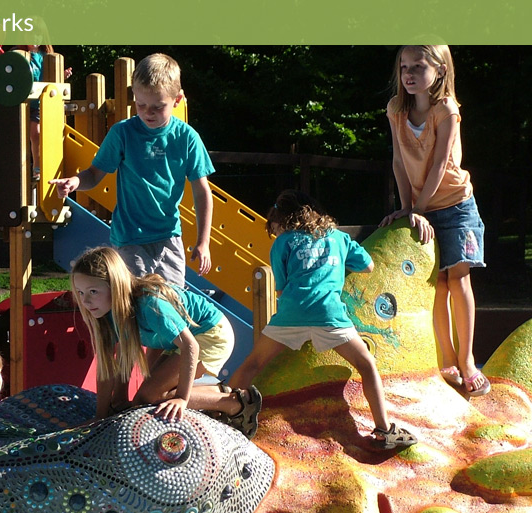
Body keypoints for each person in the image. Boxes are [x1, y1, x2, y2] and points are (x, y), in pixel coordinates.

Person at [228, 190, 418, 448]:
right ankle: (384, 429)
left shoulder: (282, 243)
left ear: (283, 221)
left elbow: (282, 289)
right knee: (366, 364)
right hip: (329, 314)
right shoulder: (339, 238)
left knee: (253, 364)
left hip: (291, 314)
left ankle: (223, 414)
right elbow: (368, 266)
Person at [378, 45, 489, 397]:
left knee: (458, 279)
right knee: (436, 284)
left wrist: (418, 210)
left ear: (439, 70)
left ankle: (468, 361)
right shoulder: (396, 109)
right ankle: (447, 361)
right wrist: (407, 207)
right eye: (404, 67)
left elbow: (440, 165)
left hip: (455, 206)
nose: (409, 73)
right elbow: (399, 161)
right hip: (421, 206)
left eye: (418, 66)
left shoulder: (446, 110)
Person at [50, 53, 214, 286]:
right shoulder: (123, 133)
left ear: (177, 100)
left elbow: (201, 192)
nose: (148, 112)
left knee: (172, 302)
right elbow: (94, 174)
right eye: (141, 105)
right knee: (136, 305)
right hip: (130, 238)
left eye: (158, 107)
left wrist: (203, 241)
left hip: (169, 236)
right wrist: (76, 182)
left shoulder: (187, 138)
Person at [70, 247, 260, 438]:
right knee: (142, 401)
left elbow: (190, 346)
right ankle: (213, 392)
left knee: (149, 396)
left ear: (116, 286)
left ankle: (234, 404)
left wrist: (182, 399)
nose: (85, 300)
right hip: (172, 342)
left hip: (209, 333)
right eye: (80, 292)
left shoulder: (149, 304)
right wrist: (101, 416)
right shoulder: (104, 313)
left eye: (93, 291)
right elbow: (109, 366)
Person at [13, 45, 72, 182]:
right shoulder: (19, 53)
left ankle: (38, 168)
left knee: (36, 133)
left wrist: (61, 76)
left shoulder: (46, 57)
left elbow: (50, 77)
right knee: (20, 135)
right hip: (22, 102)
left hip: (40, 102)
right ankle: (20, 167)